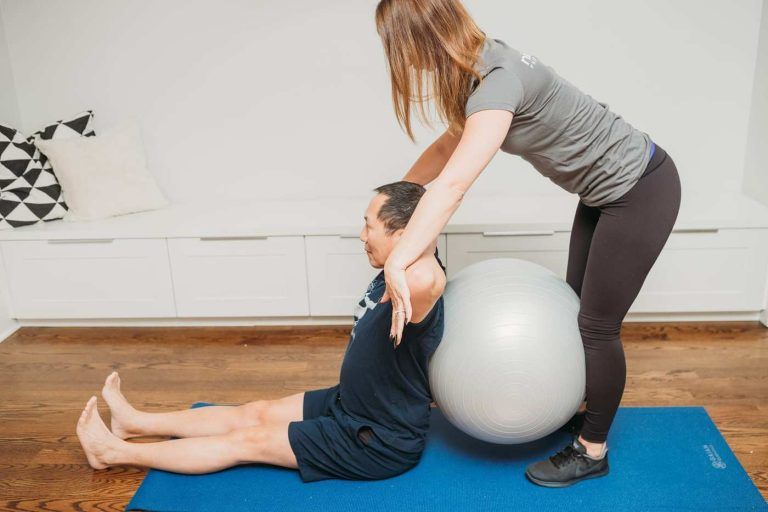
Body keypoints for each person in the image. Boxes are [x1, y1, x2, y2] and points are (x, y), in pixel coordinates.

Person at [374, 0, 681, 487]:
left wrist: (401, 259)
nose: (400, 59)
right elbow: (445, 150)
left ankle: (592, 450)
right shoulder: (479, 72)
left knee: (597, 327)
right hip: (603, 194)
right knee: (577, 310)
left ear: (420, 40)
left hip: (640, 190)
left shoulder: (498, 85)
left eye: (398, 47)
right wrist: (396, 198)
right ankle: (585, 409)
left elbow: (453, 186)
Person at [76, 181, 447, 482]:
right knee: (255, 412)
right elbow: (426, 187)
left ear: (403, 233)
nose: (361, 234)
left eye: (369, 225)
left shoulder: (418, 279)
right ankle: (134, 422)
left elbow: (430, 276)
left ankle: (113, 453)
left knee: (247, 441)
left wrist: (403, 254)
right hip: (350, 402)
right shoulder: (398, 264)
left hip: (375, 439)